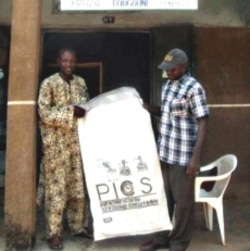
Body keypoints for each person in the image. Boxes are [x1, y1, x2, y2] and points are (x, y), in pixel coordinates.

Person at [140, 48, 209, 251]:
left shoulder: (193, 88)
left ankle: (178, 243)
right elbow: (167, 113)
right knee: (165, 200)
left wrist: (195, 158)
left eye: (172, 69)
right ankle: (162, 238)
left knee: (183, 204)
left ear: (184, 67)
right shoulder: (167, 86)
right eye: (166, 69)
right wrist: (148, 108)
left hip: (183, 157)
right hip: (165, 154)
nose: (168, 72)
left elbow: (203, 122)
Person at [38, 48, 92, 250]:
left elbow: (86, 107)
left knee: (78, 189)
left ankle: (78, 226)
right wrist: (71, 111)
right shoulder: (48, 83)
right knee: (56, 192)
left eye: (72, 61)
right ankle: (54, 233)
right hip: (56, 149)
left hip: (77, 145)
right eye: (65, 60)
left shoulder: (81, 82)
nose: (68, 64)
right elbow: (43, 113)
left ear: (75, 62)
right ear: (58, 61)